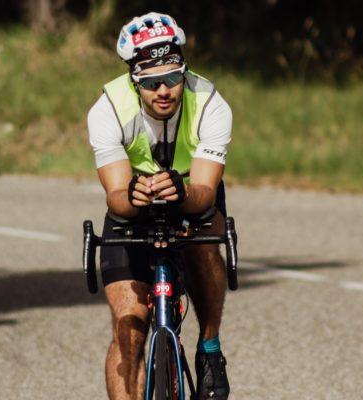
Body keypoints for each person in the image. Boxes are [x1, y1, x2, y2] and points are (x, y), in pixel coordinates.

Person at [87, 12, 233, 400]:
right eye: (151, 82)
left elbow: (205, 191)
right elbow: (116, 197)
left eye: (172, 77)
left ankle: (209, 347)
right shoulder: (108, 109)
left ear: (184, 71)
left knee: (205, 245)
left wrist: (181, 194)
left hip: (191, 196)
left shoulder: (209, 102)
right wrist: (133, 195)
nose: (164, 90)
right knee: (128, 330)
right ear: (134, 81)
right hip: (132, 205)